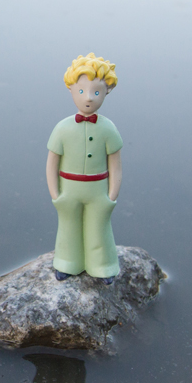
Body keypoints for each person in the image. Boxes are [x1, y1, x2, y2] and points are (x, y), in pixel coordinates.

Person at [46, 53, 122, 283]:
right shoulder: (62, 128)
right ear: (70, 90)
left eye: (96, 92)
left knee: (99, 228)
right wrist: (55, 194)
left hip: (98, 190)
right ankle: (67, 262)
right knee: (68, 227)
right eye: (81, 91)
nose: (88, 98)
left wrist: (111, 196)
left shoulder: (108, 129)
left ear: (107, 91)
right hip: (69, 189)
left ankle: (103, 265)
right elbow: (51, 164)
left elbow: (115, 166)